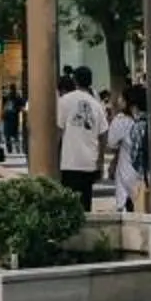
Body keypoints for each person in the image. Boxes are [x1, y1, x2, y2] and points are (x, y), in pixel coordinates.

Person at [56, 66, 108, 207]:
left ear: (75, 80)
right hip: (89, 162)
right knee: (86, 203)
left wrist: (54, 154)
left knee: (69, 203)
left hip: (70, 162)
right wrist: (100, 160)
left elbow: (58, 130)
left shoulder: (65, 101)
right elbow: (103, 133)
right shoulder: (96, 105)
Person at [105, 87, 140, 214]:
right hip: (145, 170)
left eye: (121, 98)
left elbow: (111, 143)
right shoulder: (147, 118)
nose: (118, 100)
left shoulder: (121, 120)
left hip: (127, 168)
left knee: (127, 202)